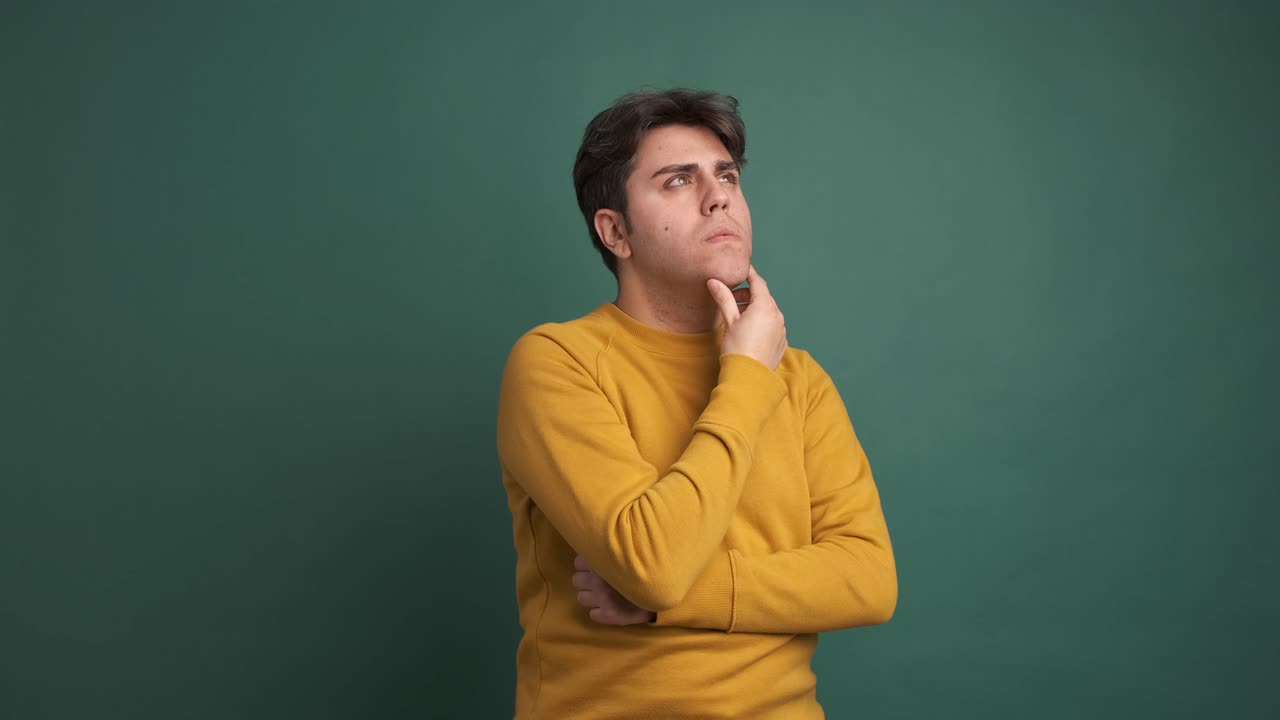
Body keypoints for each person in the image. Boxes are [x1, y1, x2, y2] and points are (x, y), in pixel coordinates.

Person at [496, 88, 897, 719]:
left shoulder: (799, 377)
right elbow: (652, 564)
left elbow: (869, 579)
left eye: (727, 176)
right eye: (678, 180)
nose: (719, 196)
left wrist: (677, 600)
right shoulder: (556, 361)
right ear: (616, 232)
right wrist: (744, 376)